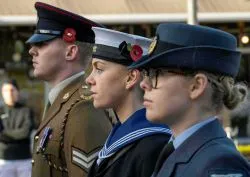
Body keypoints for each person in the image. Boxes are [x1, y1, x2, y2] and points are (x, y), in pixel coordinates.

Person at [129, 23, 250, 177]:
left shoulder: (220, 163)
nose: (144, 84)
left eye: (156, 74)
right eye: (147, 73)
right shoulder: (176, 150)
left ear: (196, 86)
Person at [26, 2, 113, 177]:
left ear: (70, 52)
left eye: (42, 44)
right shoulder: (64, 101)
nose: (32, 51)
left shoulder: (83, 109)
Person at [86, 27, 172, 177]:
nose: (89, 79)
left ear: (131, 78)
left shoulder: (153, 144)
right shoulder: (121, 136)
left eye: (99, 69)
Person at [0, 79, 35, 177]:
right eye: (6, 91)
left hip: (24, 160)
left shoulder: (26, 111)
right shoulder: (0, 111)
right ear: (2, 93)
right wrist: (17, 134)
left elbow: (25, 132)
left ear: (17, 92)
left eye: (12, 90)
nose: (9, 93)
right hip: (4, 160)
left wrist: (5, 134)